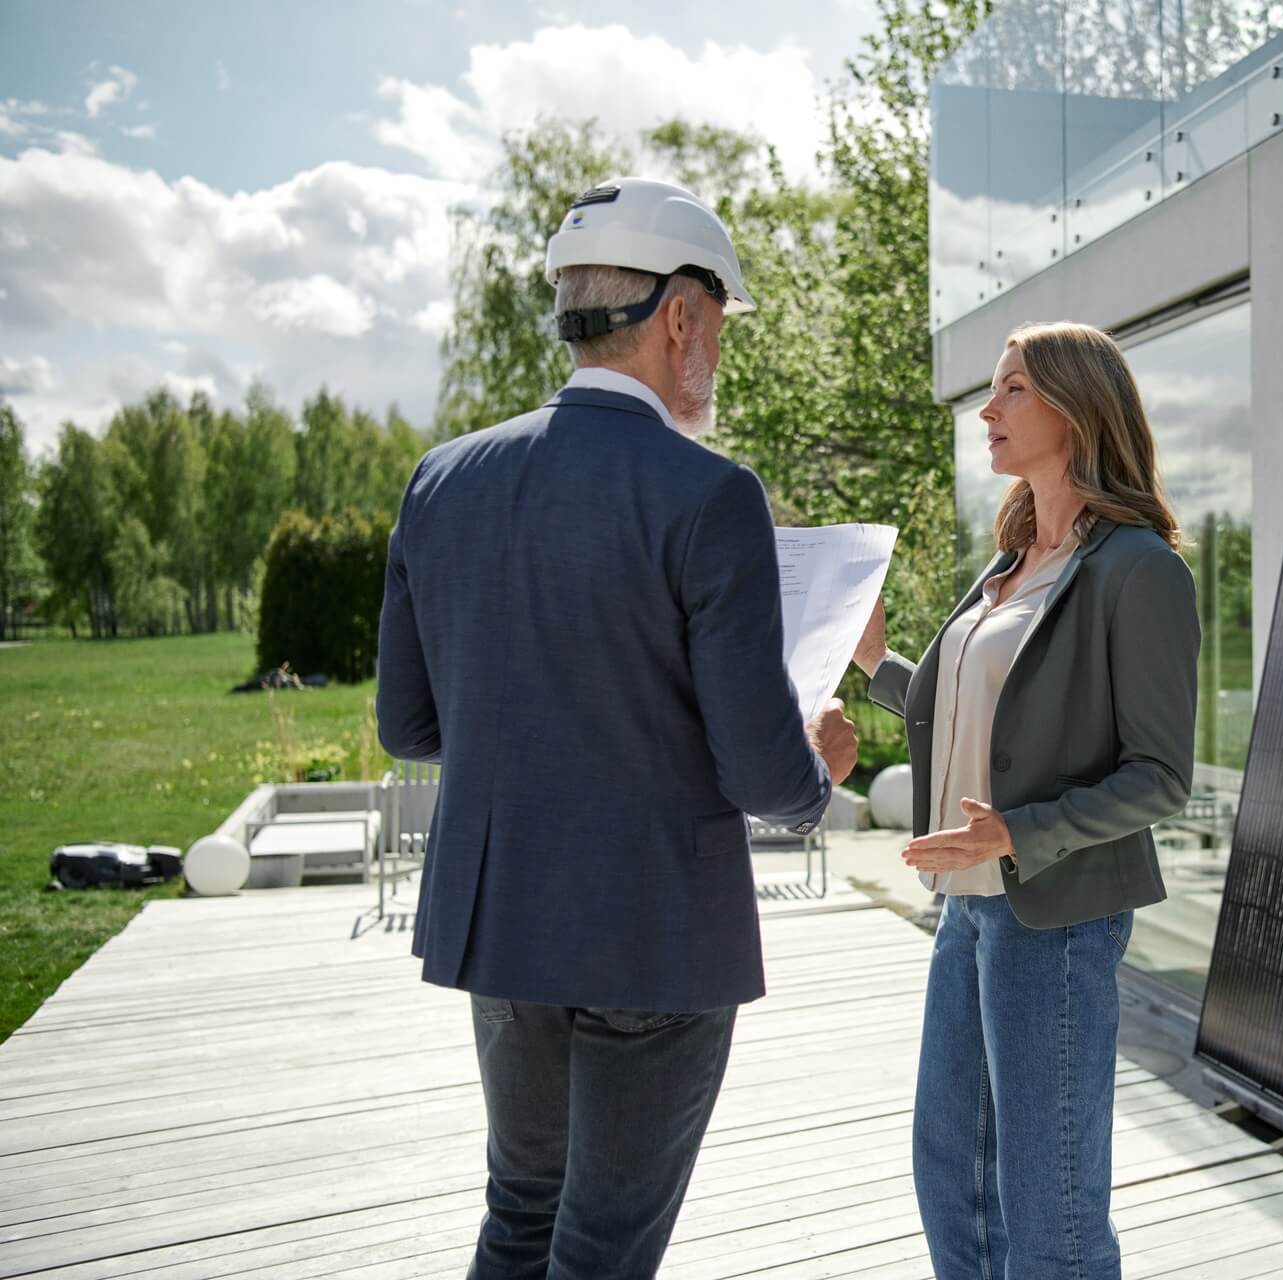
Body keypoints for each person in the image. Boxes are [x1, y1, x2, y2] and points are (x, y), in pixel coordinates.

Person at [376, 175, 859, 1280]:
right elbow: (760, 770)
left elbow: (410, 723)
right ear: (680, 314)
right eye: (722, 323)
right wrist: (815, 769)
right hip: (653, 935)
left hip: (503, 924)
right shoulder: (708, 495)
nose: (720, 352)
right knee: (601, 1248)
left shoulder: (440, 480)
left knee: (520, 1212)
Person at [853, 321, 1201, 1279]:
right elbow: (969, 711)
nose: (987, 410)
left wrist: (1018, 833)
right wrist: (876, 660)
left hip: (1057, 921)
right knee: (951, 1180)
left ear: (1075, 405)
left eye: (1011, 390)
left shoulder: (1140, 570)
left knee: (1049, 1210)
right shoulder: (1008, 566)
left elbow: (1161, 776)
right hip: (967, 917)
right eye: (992, 391)